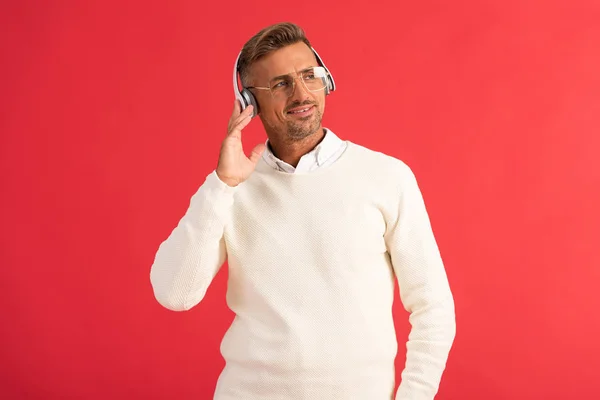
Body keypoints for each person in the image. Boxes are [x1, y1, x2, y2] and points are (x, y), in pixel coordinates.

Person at [150, 22, 456, 400]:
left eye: (309, 75)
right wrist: (221, 184)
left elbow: (434, 307)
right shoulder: (229, 190)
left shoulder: (387, 177)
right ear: (249, 103)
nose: (301, 93)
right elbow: (174, 293)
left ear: (325, 80)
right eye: (279, 84)